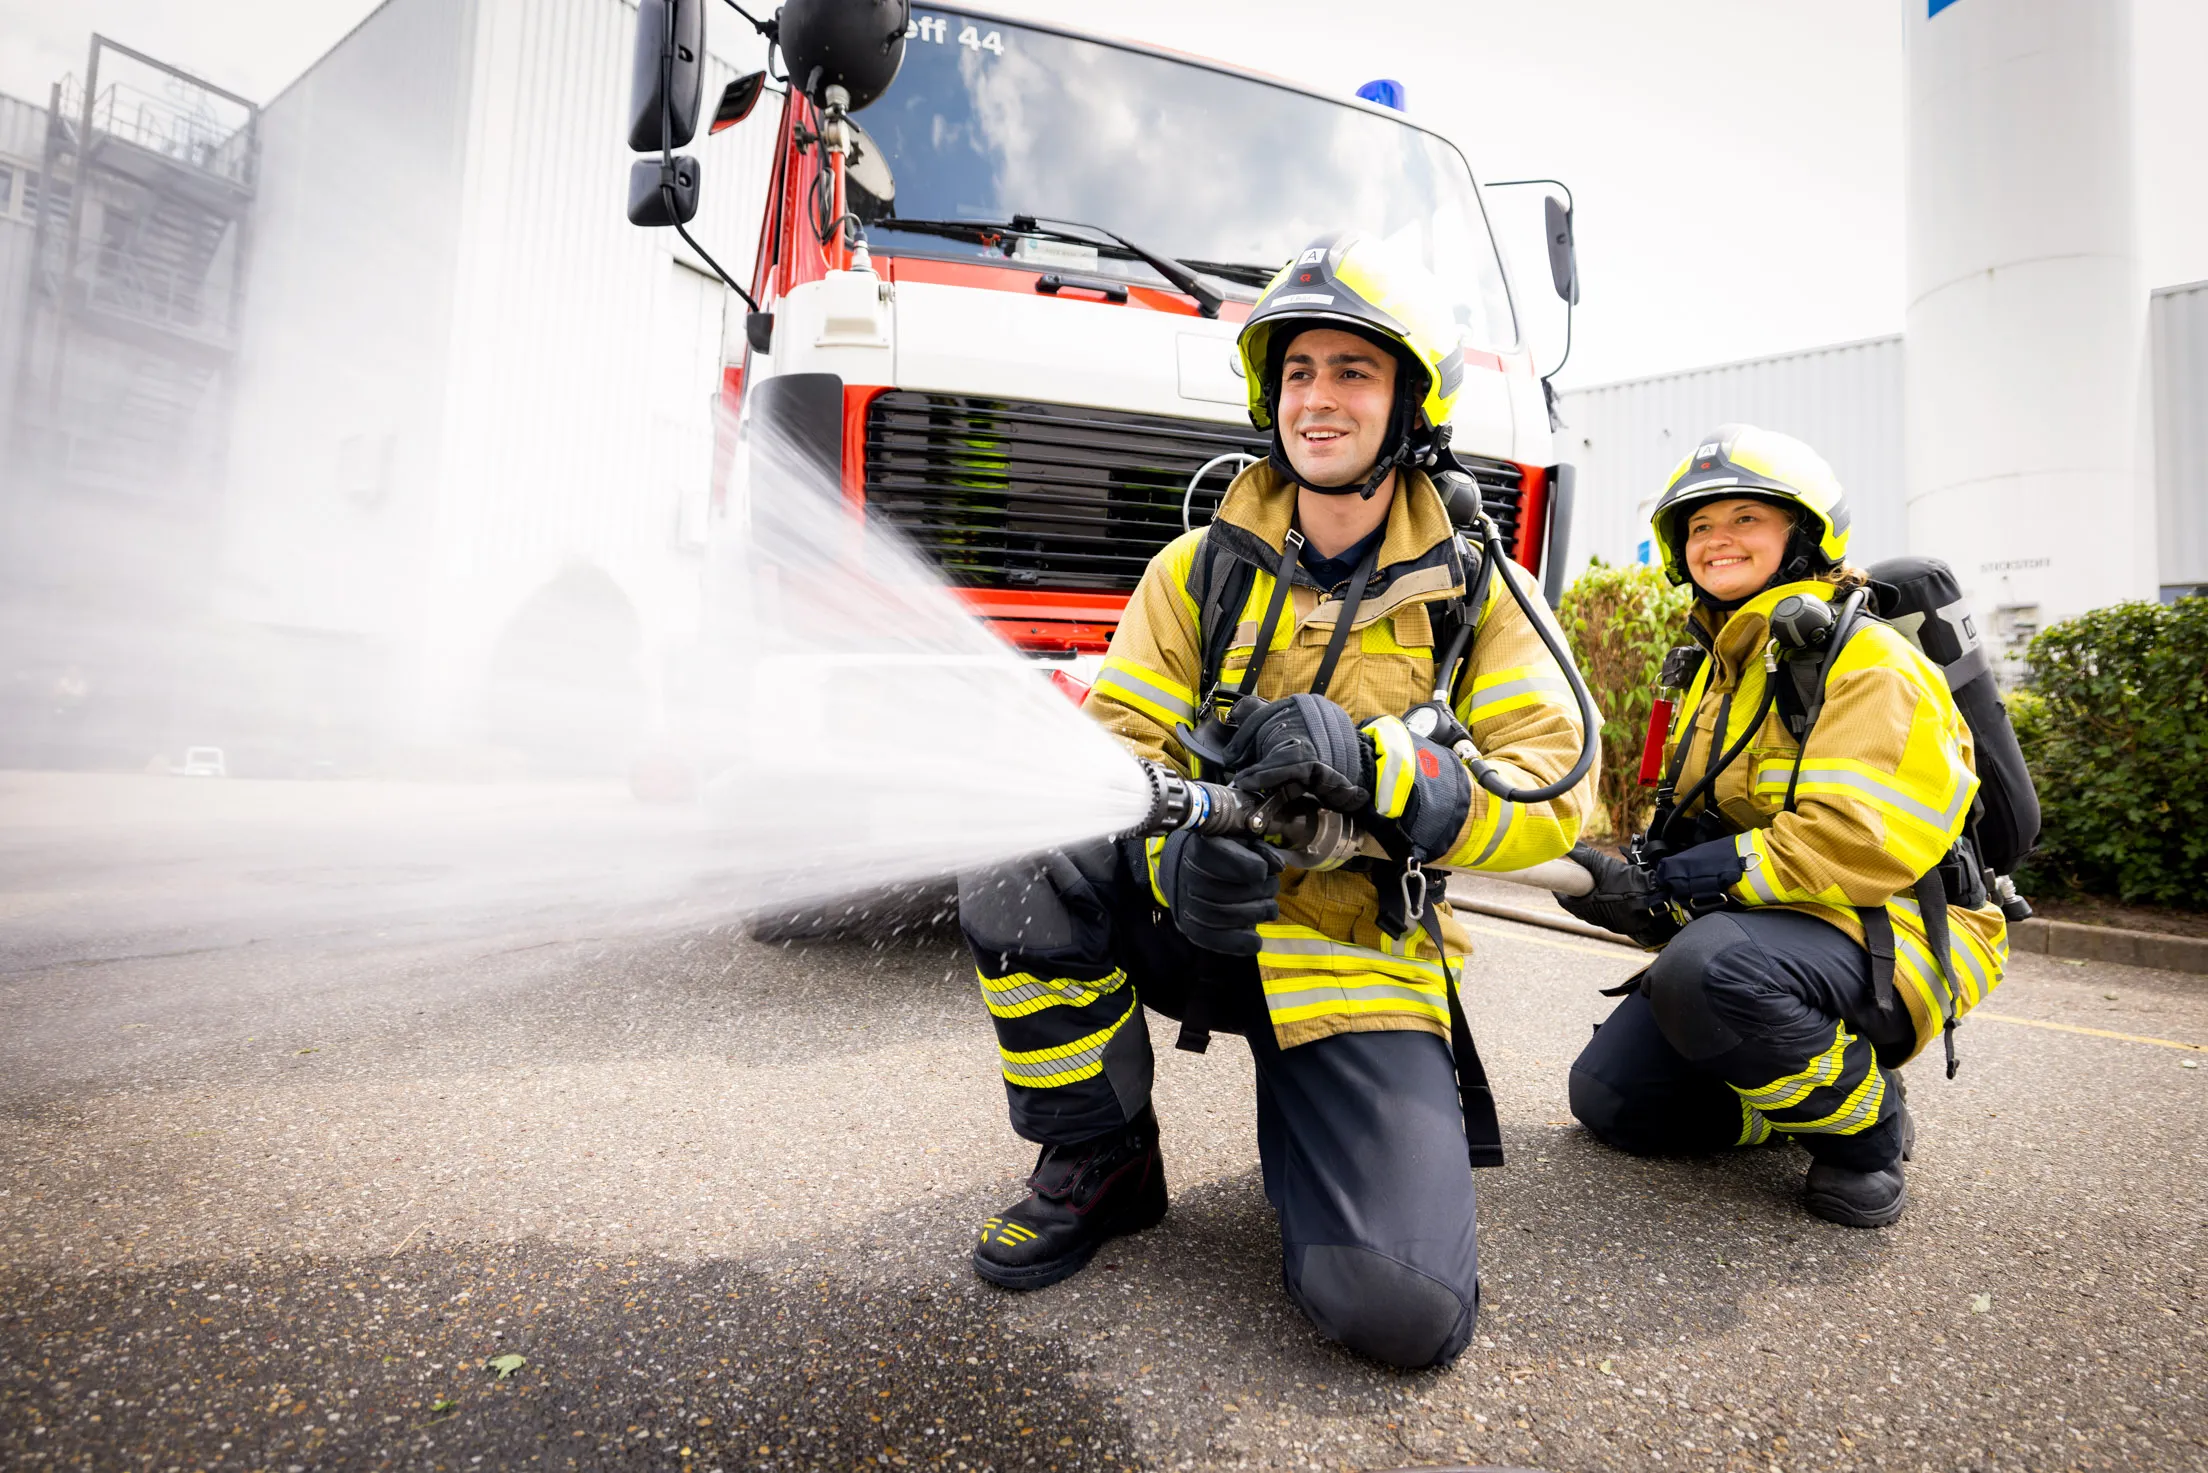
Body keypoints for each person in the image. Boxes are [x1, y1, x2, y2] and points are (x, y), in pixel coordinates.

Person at [955, 232, 1595, 1370]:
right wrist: (1173, 862)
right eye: (1299, 371)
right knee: (1022, 841)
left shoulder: (1482, 592)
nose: (1319, 398)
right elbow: (1111, 764)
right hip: (1196, 920)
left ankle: (1326, 1133)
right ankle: (1101, 1155)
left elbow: (1552, 796)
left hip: (1359, 955)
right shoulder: (1193, 570)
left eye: (1354, 371)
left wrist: (1384, 770)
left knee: (1399, 1313)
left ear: (1408, 405)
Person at [1560, 425, 2009, 1227]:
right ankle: (1817, 1089)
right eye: (1699, 526)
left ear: (1802, 536)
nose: (1715, 540)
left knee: (1705, 972)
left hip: (1898, 926)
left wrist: (1690, 885)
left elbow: (1858, 840)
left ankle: (1867, 1125)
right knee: (1613, 1099)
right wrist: (1632, 884)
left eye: (1744, 520)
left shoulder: (1869, 661)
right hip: (1780, 927)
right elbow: (1684, 826)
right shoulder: (1711, 669)